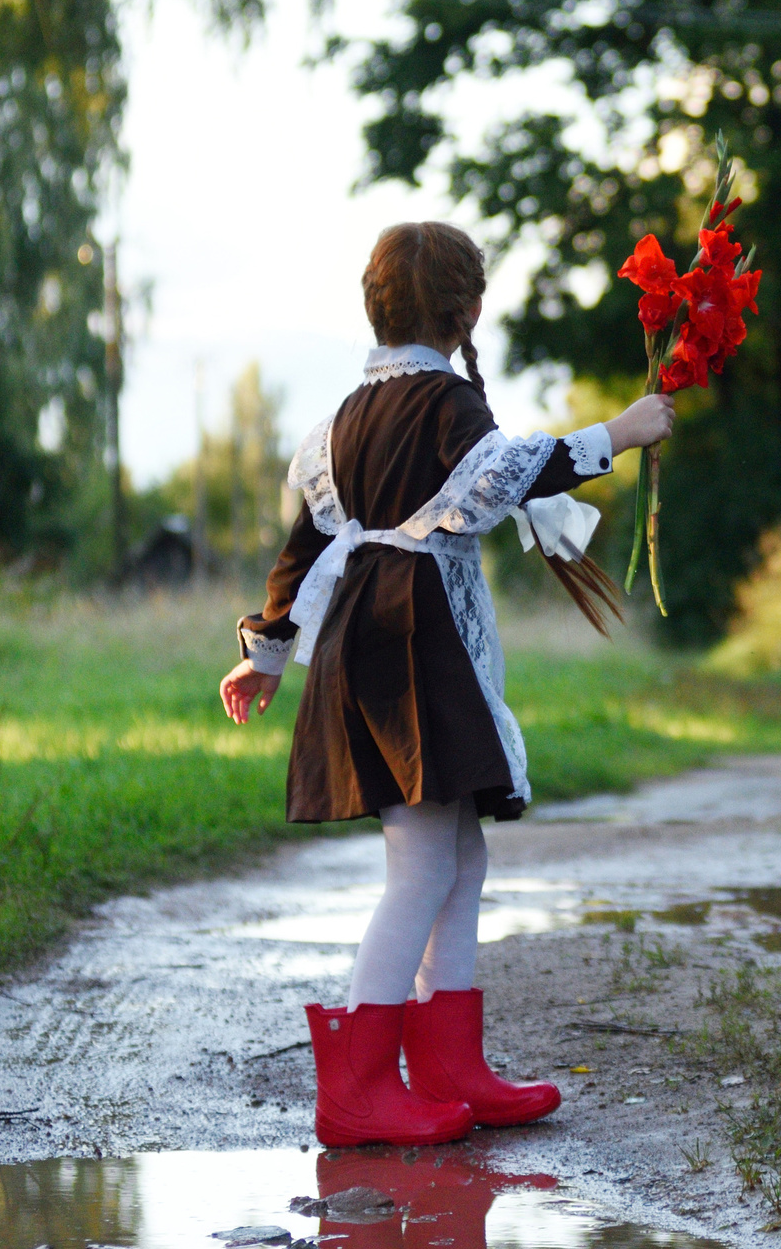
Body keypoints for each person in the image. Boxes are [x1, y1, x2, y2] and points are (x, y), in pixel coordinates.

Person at [218, 221, 674, 1147]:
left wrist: (265, 654)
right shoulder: (443, 405)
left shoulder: (340, 420)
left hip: (375, 637)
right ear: (468, 313)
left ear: (374, 306)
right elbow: (508, 473)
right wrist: (618, 433)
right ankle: (355, 1089)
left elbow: (302, 546)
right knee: (425, 863)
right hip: (411, 642)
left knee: (460, 856)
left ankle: (447, 1063)